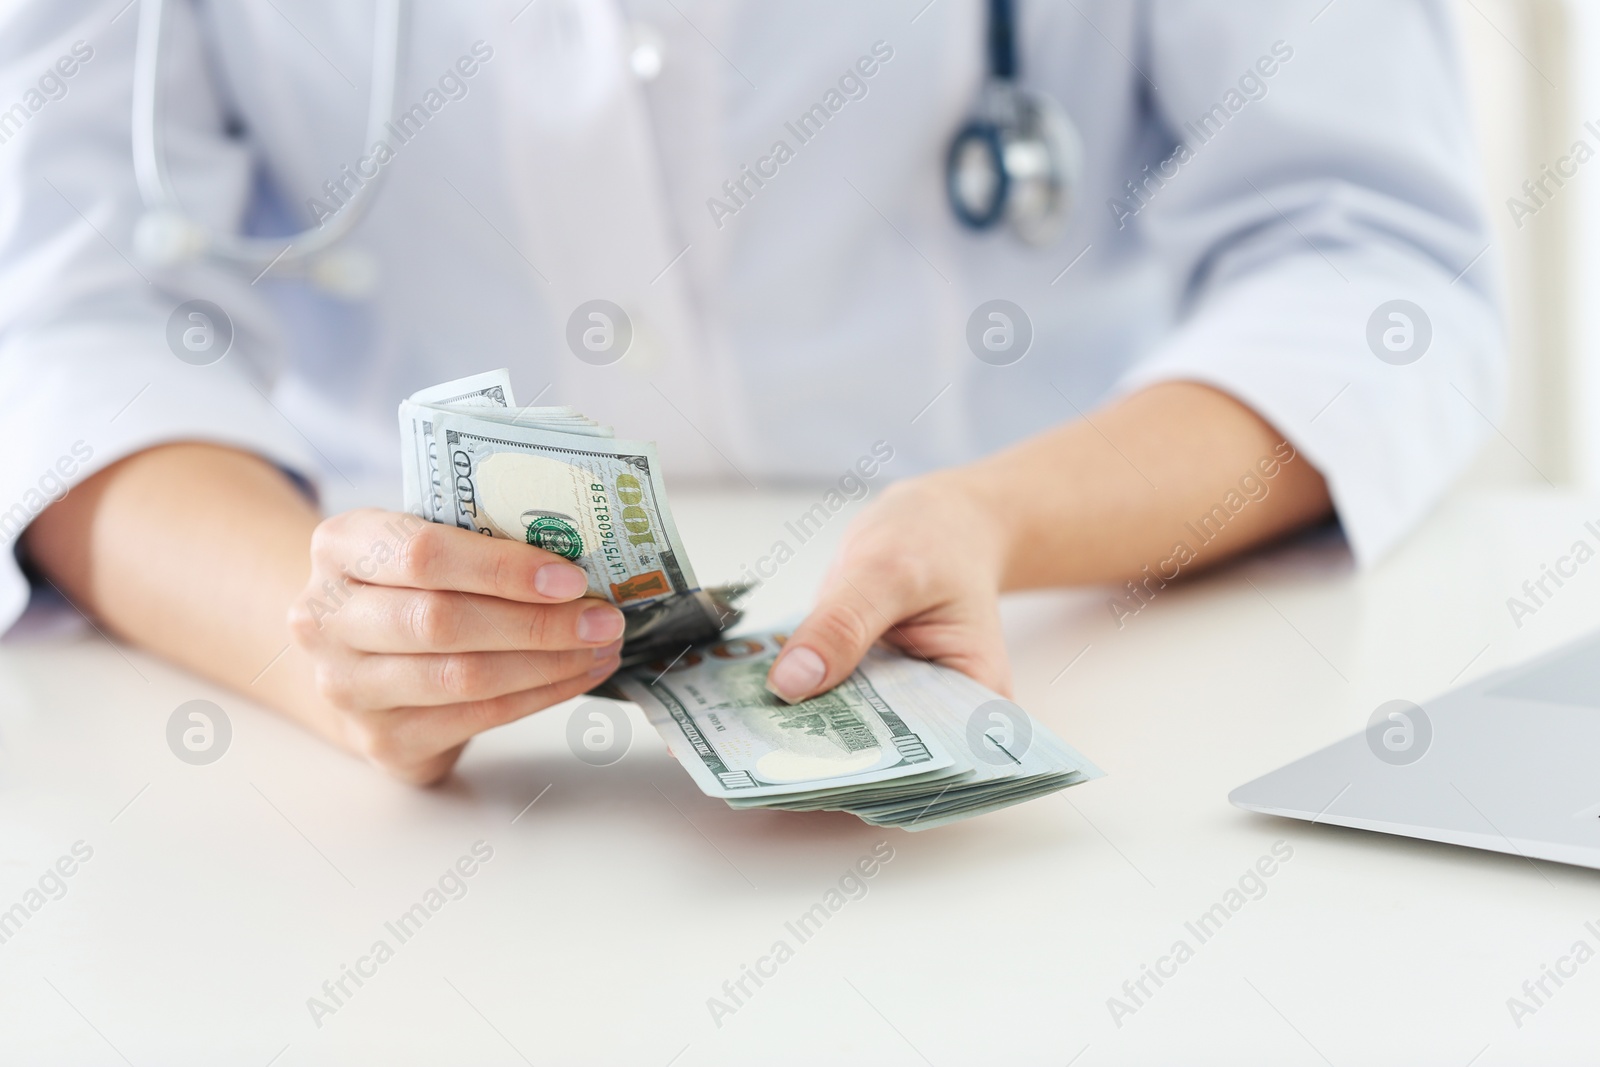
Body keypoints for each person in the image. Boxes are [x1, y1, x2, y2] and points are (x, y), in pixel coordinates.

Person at [0, 1, 1502, 784]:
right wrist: (331, 640)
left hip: (1084, 645)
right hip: (381, 767)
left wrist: (1007, 521)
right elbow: (65, 331)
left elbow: (1372, 275)